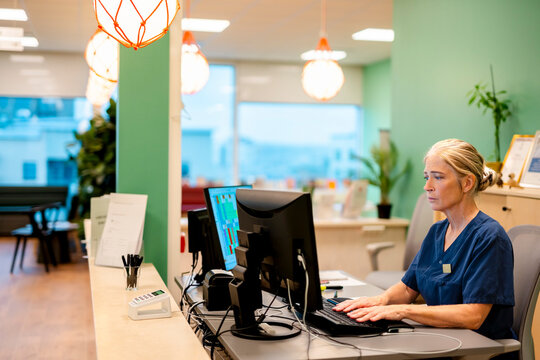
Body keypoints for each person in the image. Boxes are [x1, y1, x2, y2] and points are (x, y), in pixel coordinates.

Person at [334, 139, 515, 342]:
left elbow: (473, 316)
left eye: (437, 178)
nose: (427, 186)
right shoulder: (437, 232)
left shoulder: (489, 237)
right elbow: (407, 289)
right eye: (427, 177)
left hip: (479, 347)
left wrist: (404, 311)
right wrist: (380, 300)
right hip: (442, 338)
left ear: (467, 183)